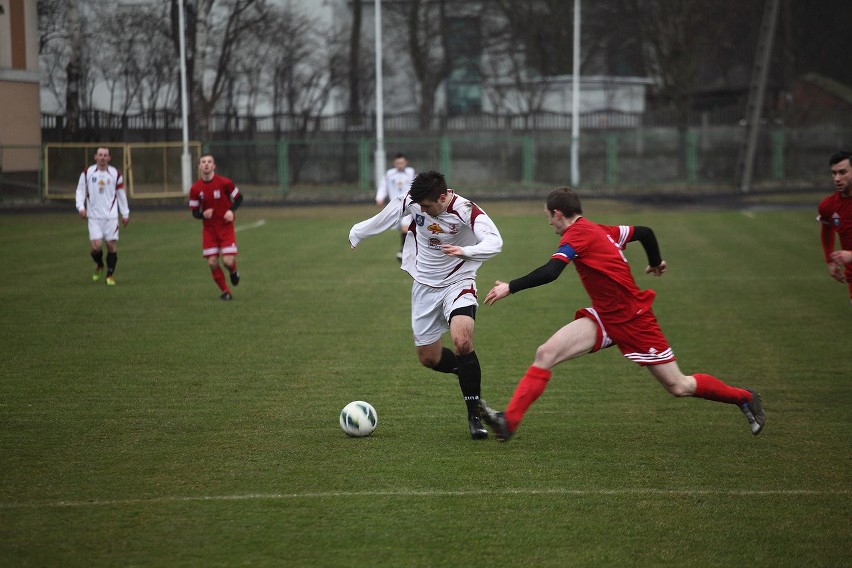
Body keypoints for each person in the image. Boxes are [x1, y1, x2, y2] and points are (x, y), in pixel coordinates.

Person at [477, 187, 765, 442]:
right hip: (605, 316)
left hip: (633, 319)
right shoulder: (602, 229)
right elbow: (645, 233)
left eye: (548, 216)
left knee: (679, 386)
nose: (548, 221)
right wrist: (655, 262)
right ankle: (508, 422)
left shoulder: (578, 234)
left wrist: (510, 287)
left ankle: (745, 398)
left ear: (557, 213)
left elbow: (551, 272)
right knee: (546, 353)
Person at [349, 170, 503, 439]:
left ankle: (474, 415)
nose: (421, 209)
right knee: (428, 358)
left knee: (462, 341)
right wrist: (358, 232)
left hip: (459, 281)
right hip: (424, 287)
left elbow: (495, 242)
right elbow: (388, 214)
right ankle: (466, 376)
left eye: (427, 206)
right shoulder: (414, 200)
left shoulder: (466, 210)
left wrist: (465, 251)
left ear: (443, 197)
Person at [188, 153, 243, 300]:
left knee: (228, 261)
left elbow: (239, 198)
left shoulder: (225, 183)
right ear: (199, 166)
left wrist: (231, 211)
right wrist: (202, 214)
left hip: (225, 228)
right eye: (203, 162)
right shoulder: (195, 189)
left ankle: (233, 271)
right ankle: (226, 291)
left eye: (209, 162)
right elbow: (194, 212)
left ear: (214, 166)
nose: (206, 164)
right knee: (212, 262)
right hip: (209, 230)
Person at [75, 147, 130, 286]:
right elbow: (80, 191)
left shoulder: (115, 174)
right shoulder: (87, 173)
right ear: (95, 157)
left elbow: (121, 195)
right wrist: (81, 208)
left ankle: (109, 276)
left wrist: (125, 213)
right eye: (100, 155)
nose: (103, 157)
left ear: (109, 158)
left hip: (111, 217)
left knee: (111, 245)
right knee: (96, 246)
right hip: (94, 217)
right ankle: (99, 264)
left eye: (105, 155)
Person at [817, 150, 852, 303]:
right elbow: (827, 229)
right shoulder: (828, 206)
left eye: (843, 172)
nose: (837, 178)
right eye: (834, 173)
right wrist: (830, 260)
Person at [375, 153, 416, 261]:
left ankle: (403, 251)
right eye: (398, 163)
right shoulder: (389, 174)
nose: (400, 165)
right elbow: (383, 186)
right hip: (394, 205)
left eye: (402, 163)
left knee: (405, 227)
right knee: (402, 229)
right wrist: (380, 197)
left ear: (406, 162)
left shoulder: (411, 173)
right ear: (394, 163)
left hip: (408, 205)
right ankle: (409, 250)